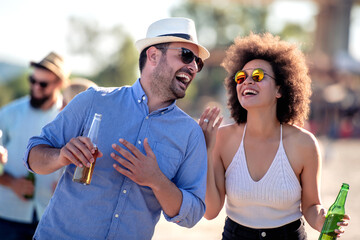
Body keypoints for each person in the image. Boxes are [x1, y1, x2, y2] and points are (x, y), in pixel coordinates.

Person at [24, 17, 209, 240]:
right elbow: (33, 155)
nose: (192, 67)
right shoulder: (92, 101)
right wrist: (61, 156)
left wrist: (157, 181)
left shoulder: (191, 134)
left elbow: (193, 214)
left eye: (198, 62)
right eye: (186, 55)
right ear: (153, 55)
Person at [199, 33, 350, 240]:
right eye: (241, 78)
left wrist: (322, 220)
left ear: (280, 89)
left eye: (258, 76)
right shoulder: (222, 139)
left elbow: (311, 206)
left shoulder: (304, 143)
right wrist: (207, 150)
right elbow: (210, 211)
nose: (247, 82)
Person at [0, 51, 70, 239]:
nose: (35, 87)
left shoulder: (69, 117)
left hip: (52, 217)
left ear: (60, 84)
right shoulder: (8, 113)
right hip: (7, 216)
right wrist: (11, 182)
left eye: (43, 84)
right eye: (33, 80)